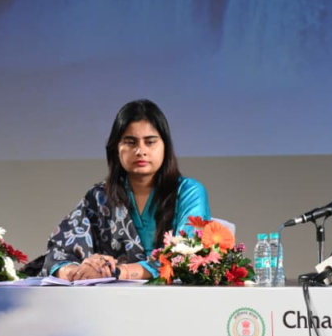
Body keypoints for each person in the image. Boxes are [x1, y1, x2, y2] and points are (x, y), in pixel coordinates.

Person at [37, 99, 211, 281]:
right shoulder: (100, 196)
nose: (140, 151)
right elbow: (58, 254)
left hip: (174, 294)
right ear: (116, 148)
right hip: (110, 296)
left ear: (165, 147)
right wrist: (76, 271)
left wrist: (118, 272)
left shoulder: (188, 192)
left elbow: (187, 254)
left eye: (150, 142)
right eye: (130, 142)